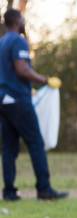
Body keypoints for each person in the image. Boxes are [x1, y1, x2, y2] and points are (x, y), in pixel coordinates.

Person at [0, 9, 67, 201]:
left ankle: (9, 191)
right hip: (18, 99)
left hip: (3, 100)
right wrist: (45, 80)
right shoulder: (18, 41)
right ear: (17, 20)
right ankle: (44, 189)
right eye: (23, 19)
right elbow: (22, 69)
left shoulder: (1, 42)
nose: (24, 22)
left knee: (9, 147)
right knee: (35, 142)